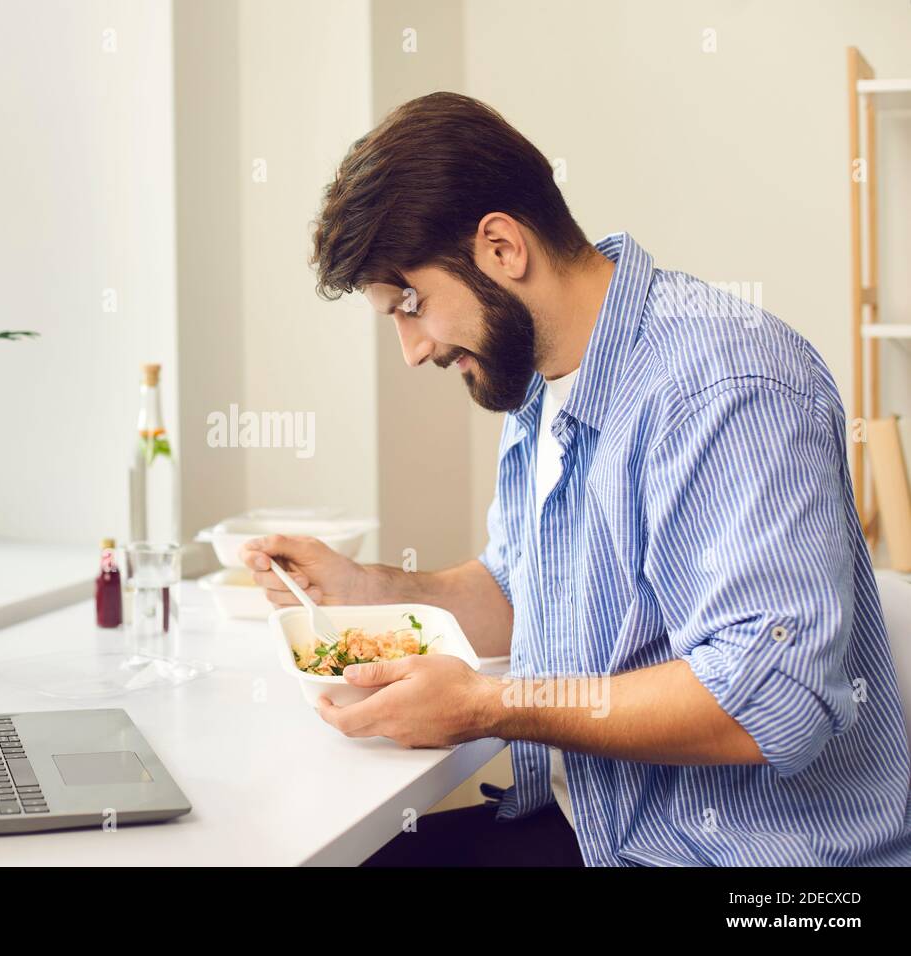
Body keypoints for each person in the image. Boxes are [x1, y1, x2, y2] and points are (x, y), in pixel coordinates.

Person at [243, 92, 911, 867]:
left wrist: (490, 707)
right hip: (601, 830)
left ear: (500, 247)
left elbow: (773, 700)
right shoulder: (537, 386)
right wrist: (371, 589)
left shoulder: (727, 387)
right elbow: (525, 595)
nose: (412, 350)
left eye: (413, 305)